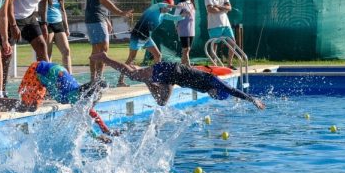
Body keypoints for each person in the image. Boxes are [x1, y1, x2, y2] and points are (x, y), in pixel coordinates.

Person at [0, 60, 116, 141]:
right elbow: (81, 122)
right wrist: (97, 137)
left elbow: (91, 113)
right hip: (37, 71)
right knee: (28, 107)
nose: (93, 104)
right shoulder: (74, 96)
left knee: (32, 105)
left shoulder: (79, 92)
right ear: (89, 96)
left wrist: (105, 130)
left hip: (47, 73)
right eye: (95, 100)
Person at [91, 51, 265, 110]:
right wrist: (252, 99)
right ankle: (104, 58)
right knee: (133, 75)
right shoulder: (214, 81)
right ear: (217, 90)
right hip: (171, 69)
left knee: (162, 102)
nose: (211, 95)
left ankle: (146, 79)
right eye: (215, 95)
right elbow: (233, 90)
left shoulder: (210, 89)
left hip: (172, 78)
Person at [85, 0, 134, 82]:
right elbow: (104, 1)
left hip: (100, 17)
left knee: (98, 50)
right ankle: (97, 80)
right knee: (102, 50)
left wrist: (107, 19)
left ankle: (95, 80)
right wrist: (120, 12)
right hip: (95, 18)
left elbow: (101, 4)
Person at [117, 0, 183, 87]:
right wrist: (175, 6)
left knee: (158, 55)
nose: (168, 10)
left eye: (170, 9)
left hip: (147, 38)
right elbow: (160, 4)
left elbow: (176, 17)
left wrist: (184, 15)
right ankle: (120, 81)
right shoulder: (153, 8)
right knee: (131, 59)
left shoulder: (163, 15)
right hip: (137, 35)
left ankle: (155, 78)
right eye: (168, 7)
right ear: (164, 4)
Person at [204, 0, 237, 69]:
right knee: (214, 44)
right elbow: (210, 10)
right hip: (214, 25)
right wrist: (223, 9)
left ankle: (229, 64)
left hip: (226, 24)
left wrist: (218, 6)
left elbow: (229, 8)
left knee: (233, 43)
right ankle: (213, 65)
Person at [44, 0, 72, 73]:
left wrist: (66, 27)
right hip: (47, 24)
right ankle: (49, 78)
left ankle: (69, 76)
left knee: (66, 51)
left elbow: (63, 11)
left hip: (58, 23)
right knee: (48, 54)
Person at [175, 0, 196, 66]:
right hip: (183, 29)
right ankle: (189, 66)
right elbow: (175, 16)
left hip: (191, 30)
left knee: (187, 49)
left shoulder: (192, 4)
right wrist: (176, 26)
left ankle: (181, 66)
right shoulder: (181, 4)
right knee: (186, 49)